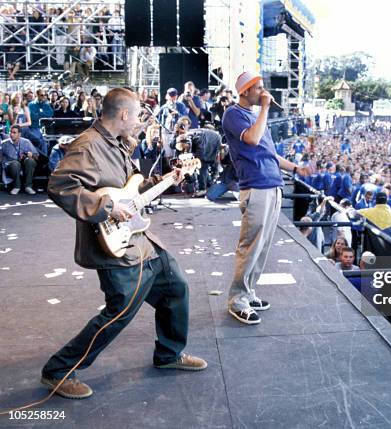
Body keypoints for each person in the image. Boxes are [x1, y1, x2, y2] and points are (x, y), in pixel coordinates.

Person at [40, 88, 206, 400]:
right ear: (124, 114)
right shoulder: (88, 146)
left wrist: (168, 180)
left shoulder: (115, 144)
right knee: (119, 313)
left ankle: (169, 354)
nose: (138, 122)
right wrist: (107, 209)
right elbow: (59, 185)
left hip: (140, 239)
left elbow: (132, 191)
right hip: (113, 246)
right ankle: (58, 370)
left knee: (176, 287)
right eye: (137, 116)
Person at [221, 71, 310, 325]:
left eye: (263, 87)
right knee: (250, 246)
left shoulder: (258, 117)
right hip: (255, 186)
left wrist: (295, 168)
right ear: (245, 92)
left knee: (263, 246)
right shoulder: (233, 114)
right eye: (258, 88)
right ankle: (236, 299)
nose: (263, 92)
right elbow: (252, 138)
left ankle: (248, 293)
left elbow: (270, 154)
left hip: (273, 185)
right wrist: (265, 110)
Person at [1, 125, 39, 195]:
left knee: (30, 160)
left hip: (23, 166)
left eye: (14, 133)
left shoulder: (26, 142)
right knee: (15, 163)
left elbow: (36, 156)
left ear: (19, 134)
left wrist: (32, 155)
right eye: (10, 132)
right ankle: (16, 186)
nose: (11, 134)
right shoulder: (4, 144)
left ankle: (28, 186)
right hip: (10, 167)